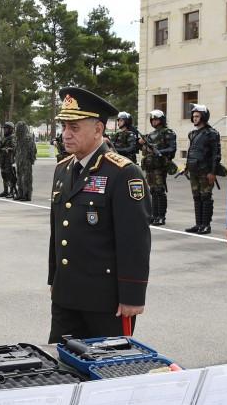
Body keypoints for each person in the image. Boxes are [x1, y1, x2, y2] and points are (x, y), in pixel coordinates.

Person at [48, 87, 151, 342]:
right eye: (64, 127)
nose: (66, 135)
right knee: (60, 367)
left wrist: (133, 295)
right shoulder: (63, 169)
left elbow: (134, 240)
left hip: (106, 300)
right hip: (67, 295)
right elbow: (58, 231)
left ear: (98, 129)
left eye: (74, 127)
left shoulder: (123, 173)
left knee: (108, 373)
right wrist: (54, 279)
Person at [184, 104, 221, 235]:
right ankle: (198, 224)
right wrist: (187, 167)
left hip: (205, 171)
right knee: (196, 197)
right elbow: (191, 152)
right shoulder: (192, 133)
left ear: (204, 117)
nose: (194, 119)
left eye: (197, 116)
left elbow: (216, 155)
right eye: (193, 116)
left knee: (206, 197)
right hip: (194, 170)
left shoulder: (211, 133)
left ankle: (206, 225)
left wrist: (213, 172)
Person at [139, 110, 177, 226]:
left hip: (160, 166)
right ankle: (154, 215)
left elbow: (172, 149)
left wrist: (158, 151)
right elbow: (144, 150)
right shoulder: (150, 135)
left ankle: (161, 216)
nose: (154, 121)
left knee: (160, 191)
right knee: (153, 191)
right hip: (150, 167)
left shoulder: (168, 133)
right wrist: (141, 143)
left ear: (161, 120)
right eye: (153, 119)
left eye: (156, 119)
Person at [14, 121, 36, 201]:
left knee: (26, 179)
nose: (17, 130)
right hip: (19, 161)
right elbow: (16, 150)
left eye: (18, 128)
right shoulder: (18, 139)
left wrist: (31, 159)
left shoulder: (28, 138)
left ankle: (27, 195)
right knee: (19, 178)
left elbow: (33, 150)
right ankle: (20, 194)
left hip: (26, 161)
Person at [0, 122, 17, 198]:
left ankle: (12, 192)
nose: (5, 130)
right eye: (4, 129)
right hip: (3, 159)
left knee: (11, 176)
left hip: (9, 160)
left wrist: (7, 149)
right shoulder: (4, 137)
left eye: (6, 129)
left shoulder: (12, 137)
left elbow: (14, 148)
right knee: (4, 176)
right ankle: (5, 191)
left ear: (10, 129)